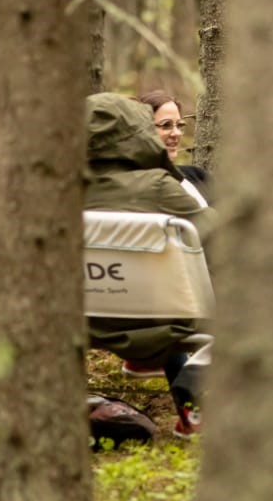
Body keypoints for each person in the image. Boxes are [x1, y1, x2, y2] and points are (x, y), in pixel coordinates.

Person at [84, 92, 214, 436]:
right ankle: (194, 391)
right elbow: (220, 234)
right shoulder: (157, 186)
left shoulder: (57, 189)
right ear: (137, 133)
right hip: (160, 319)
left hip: (79, 315)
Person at [137, 89, 210, 206]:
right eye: (166, 125)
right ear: (143, 129)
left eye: (180, 125)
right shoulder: (136, 185)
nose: (176, 133)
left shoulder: (200, 177)